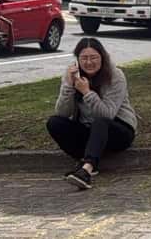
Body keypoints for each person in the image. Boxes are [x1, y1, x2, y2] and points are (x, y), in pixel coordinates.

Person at [46, 37, 137, 190]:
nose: (89, 62)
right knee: (54, 122)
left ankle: (87, 169)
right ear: (77, 60)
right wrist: (68, 86)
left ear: (102, 57)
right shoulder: (72, 75)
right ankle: (84, 160)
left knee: (100, 122)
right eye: (84, 58)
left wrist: (87, 92)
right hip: (88, 130)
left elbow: (107, 114)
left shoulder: (115, 76)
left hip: (118, 130)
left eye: (94, 57)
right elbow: (62, 113)